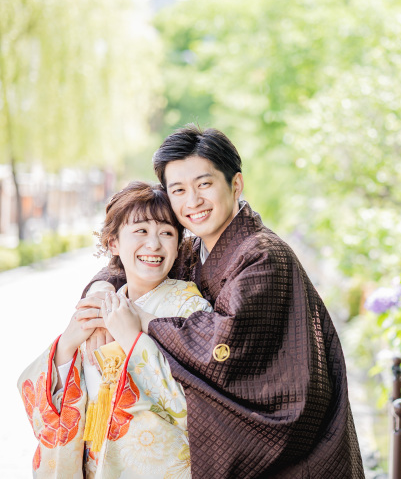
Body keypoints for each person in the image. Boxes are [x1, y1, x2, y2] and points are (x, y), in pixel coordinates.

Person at [81, 126, 364, 478]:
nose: (192, 201)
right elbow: (134, 266)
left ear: (236, 184)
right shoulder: (192, 251)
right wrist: (101, 293)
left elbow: (223, 345)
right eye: (178, 190)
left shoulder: (262, 257)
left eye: (204, 184)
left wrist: (141, 321)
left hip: (292, 446)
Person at [18, 181, 213, 478]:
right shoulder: (104, 307)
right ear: (113, 243)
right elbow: (57, 412)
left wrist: (131, 339)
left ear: (178, 245)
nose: (154, 244)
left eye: (166, 233)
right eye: (140, 231)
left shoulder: (192, 309)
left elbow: (196, 407)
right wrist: (66, 348)